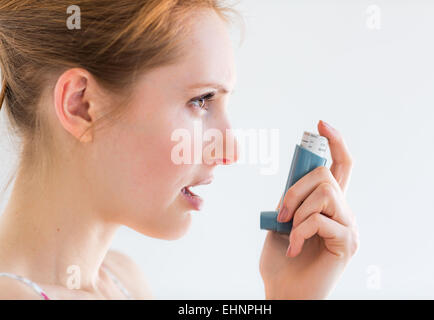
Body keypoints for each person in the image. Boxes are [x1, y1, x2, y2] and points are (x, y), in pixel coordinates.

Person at [0, 0, 358, 299]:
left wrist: (288, 294)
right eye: (201, 100)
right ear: (82, 105)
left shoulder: (124, 282)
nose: (231, 150)